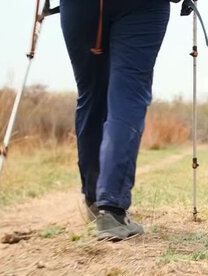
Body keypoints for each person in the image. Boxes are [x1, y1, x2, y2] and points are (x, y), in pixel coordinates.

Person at [60, 0, 170, 241]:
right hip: (143, 8)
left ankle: (94, 200)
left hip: (82, 8)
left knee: (92, 94)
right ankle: (111, 209)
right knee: (128, 96)